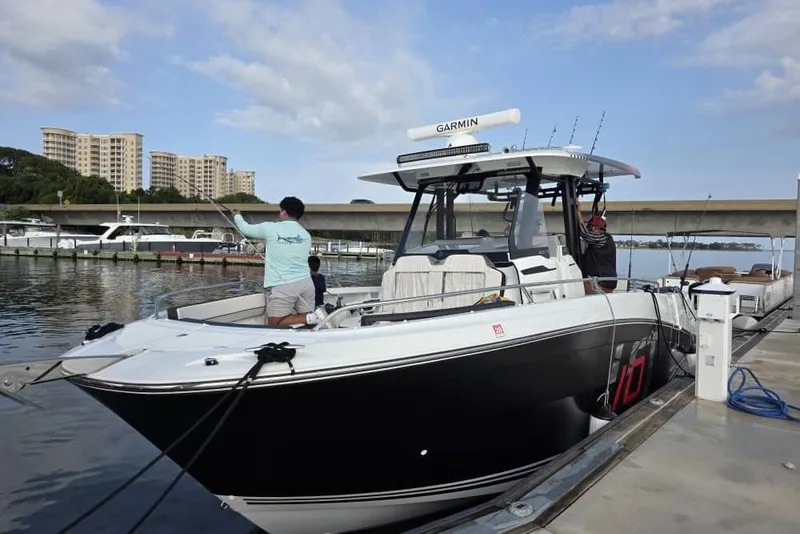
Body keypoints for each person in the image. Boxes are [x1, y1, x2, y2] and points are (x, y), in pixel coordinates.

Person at [231, 197, 327, 326]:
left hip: (284, 284)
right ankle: (311, 319)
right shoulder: (305, 235)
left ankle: (313, 318)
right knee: (304, 319)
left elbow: (246, 229)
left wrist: (236, 215)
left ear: (284, 212)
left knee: (275, 324)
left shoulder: (270, 228)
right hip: (306, 283)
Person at [575, 200, 617, 294]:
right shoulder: (606, 240)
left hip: (603, 282)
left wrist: (578, 211)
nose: (589, 230)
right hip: (608, 281)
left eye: (590, 228)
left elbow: (585, 234)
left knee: (577, 288)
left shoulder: (602, 239)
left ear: (594, 228)